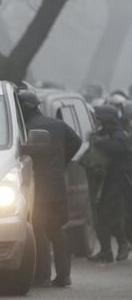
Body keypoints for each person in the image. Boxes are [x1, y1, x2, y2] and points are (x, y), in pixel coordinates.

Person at [18, 90, 81, 287]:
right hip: (56, 186)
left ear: (23, 108)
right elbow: (76, 141)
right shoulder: (59, 125)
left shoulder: (24, 128)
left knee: (37, 230)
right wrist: (62, 161)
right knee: (57, 231)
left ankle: (42, 275)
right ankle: (64, 276)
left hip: (36, 188)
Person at [87, 105, 132, 263]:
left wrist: (99, 143)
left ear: (107, 119)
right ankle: (106, 251)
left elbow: (120, 148)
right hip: (104, 182)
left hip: (119, 182)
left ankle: (123, 244)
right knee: (101, 217)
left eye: (99, 119)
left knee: (114, 216)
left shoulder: (120, 135)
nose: (97, 122)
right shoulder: (106, 134)